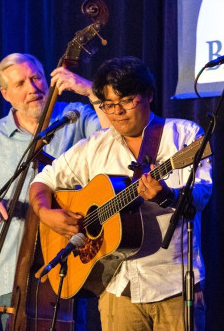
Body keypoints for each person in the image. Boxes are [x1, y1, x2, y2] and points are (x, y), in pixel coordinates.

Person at [29, 56, 212, 331]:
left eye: (126, 101)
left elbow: (201, 193)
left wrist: (168, 196)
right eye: (108, 105)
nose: (117, 112)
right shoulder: (95, 145)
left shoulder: (184, 136)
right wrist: (45, 213)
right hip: (117, 287)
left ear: (148, 95)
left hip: (174, 284)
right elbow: (42, 181)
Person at [0, 53, 109, 328]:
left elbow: (114, 132)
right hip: (11, 273)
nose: (33, 88)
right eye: (20, 84)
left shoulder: (75, 117)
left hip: (72, 264)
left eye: (36, 78)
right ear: (6, 94)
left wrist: (90, 90)